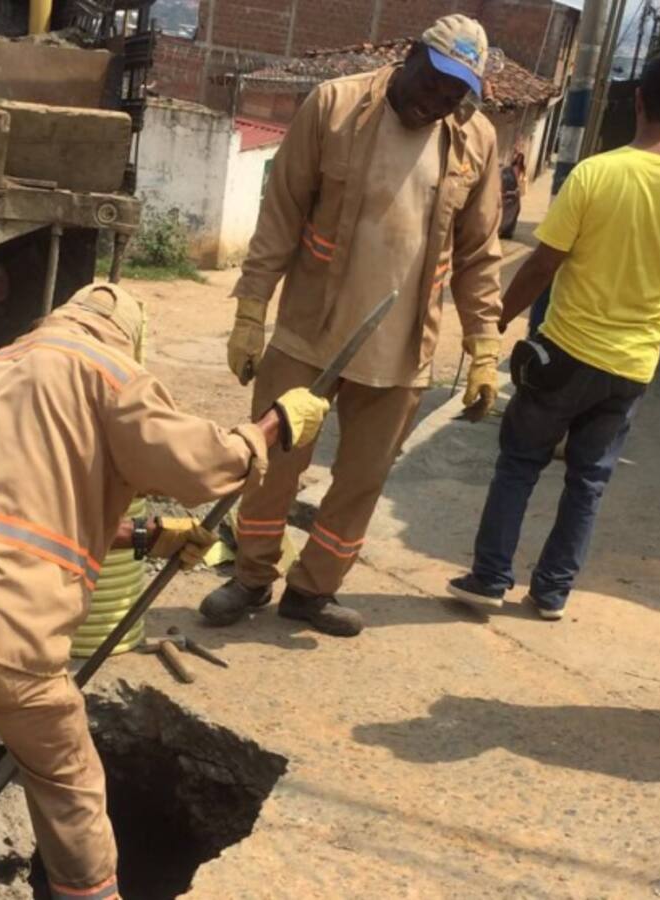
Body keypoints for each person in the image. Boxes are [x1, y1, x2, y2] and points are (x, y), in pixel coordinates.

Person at [0, 283, 329, 900]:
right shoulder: (113, 375)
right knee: (68, 779)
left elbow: (18, 514)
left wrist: (148, 536)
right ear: (129, 333)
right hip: (0, 622)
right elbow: (201, 466)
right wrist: (274, 426)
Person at [200, 14, 504, 638]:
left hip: (402, 350)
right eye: (434, 81)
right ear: (411, 57)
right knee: (272, 465)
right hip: (310, 332)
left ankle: (312, 592)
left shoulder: (476, 139)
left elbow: (479, 254)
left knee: (361, 482)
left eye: (455, 93)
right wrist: (251, 310)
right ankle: (251, 578)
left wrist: (484, 347)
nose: (438, 100)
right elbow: (281, 213)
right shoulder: (335, 107)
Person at [448, 50, 660, 620]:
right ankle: (552, 593)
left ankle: (490, 577)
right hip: (632, 366)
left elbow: (543, 263)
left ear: (638, 99)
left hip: (566, 353)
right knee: (589, 481)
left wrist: (497, 319)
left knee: (520, 463)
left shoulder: (596, 174)